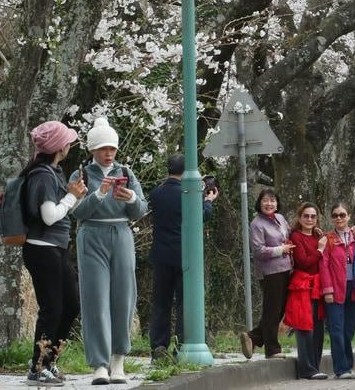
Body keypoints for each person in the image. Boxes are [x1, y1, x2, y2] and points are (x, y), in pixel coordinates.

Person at [74, 117, 147, 386]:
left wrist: (131, 198)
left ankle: (118, 360)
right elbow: (77, 212)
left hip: (122, 234)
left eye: (112, 149)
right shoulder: (81, 175)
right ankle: (99, 365)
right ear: (92, 149)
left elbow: (141, 209)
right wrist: (99, 194)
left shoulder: (126, 172)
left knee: (124, 296)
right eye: (103, 148)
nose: (108, 154)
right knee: (95, 298)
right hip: (91, 234)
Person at [15, 120, 86, 386]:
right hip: (42, 249)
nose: (69, 144)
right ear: (59, 146)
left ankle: (49, 361)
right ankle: (37, 367)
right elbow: (48, 216)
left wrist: (73, 196)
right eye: (67, 140)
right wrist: (71, 197)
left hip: (55, 249)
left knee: (70, 305)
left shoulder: (53, 171)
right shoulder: (43, 175)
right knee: (52, 308)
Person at [147, 154, 218, 360]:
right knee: (185, 303)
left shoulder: (156, 193)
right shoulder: (189, 194)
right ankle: (181, 346)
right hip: (185, 255)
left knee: (161, 303)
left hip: (160, 254)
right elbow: (201, 217)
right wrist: (208, 201)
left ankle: (158, 347)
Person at [242, 189, 293, 360]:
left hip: (286, 269)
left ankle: (254, 337)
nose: (269, 204)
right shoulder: (257, 224)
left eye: (272, 200)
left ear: (277, 203)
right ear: (259, 203)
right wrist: (281, 249)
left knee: (279, 310)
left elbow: (289, 235)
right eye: (265, 200)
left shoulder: (280, 218)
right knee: (272, 310)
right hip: (270, 272)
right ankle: (272, 349)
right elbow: (258, 251)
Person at [287, 203, 329, 380]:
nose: (310, 219)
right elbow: (303, 262)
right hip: (302, 286)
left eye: (313, 216)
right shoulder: (296, 237)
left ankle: (315, 366)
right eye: (306, 216)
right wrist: (320, 250)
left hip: (317, 287)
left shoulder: (319, 236)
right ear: (300, 217)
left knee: (318, 328)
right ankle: (306, 369)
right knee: (305, 327)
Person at [320, 203, 355, 379]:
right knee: (336, 329)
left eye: (342, 215)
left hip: (353, 288)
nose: (339, 218)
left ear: (349, 216)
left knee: (349, 330)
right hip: (335, 288)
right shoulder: (328, 239)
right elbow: (324, 266)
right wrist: (327, 290)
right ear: (331, 218)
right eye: (335, 215)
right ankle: (341, 369)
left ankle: (348, 365)